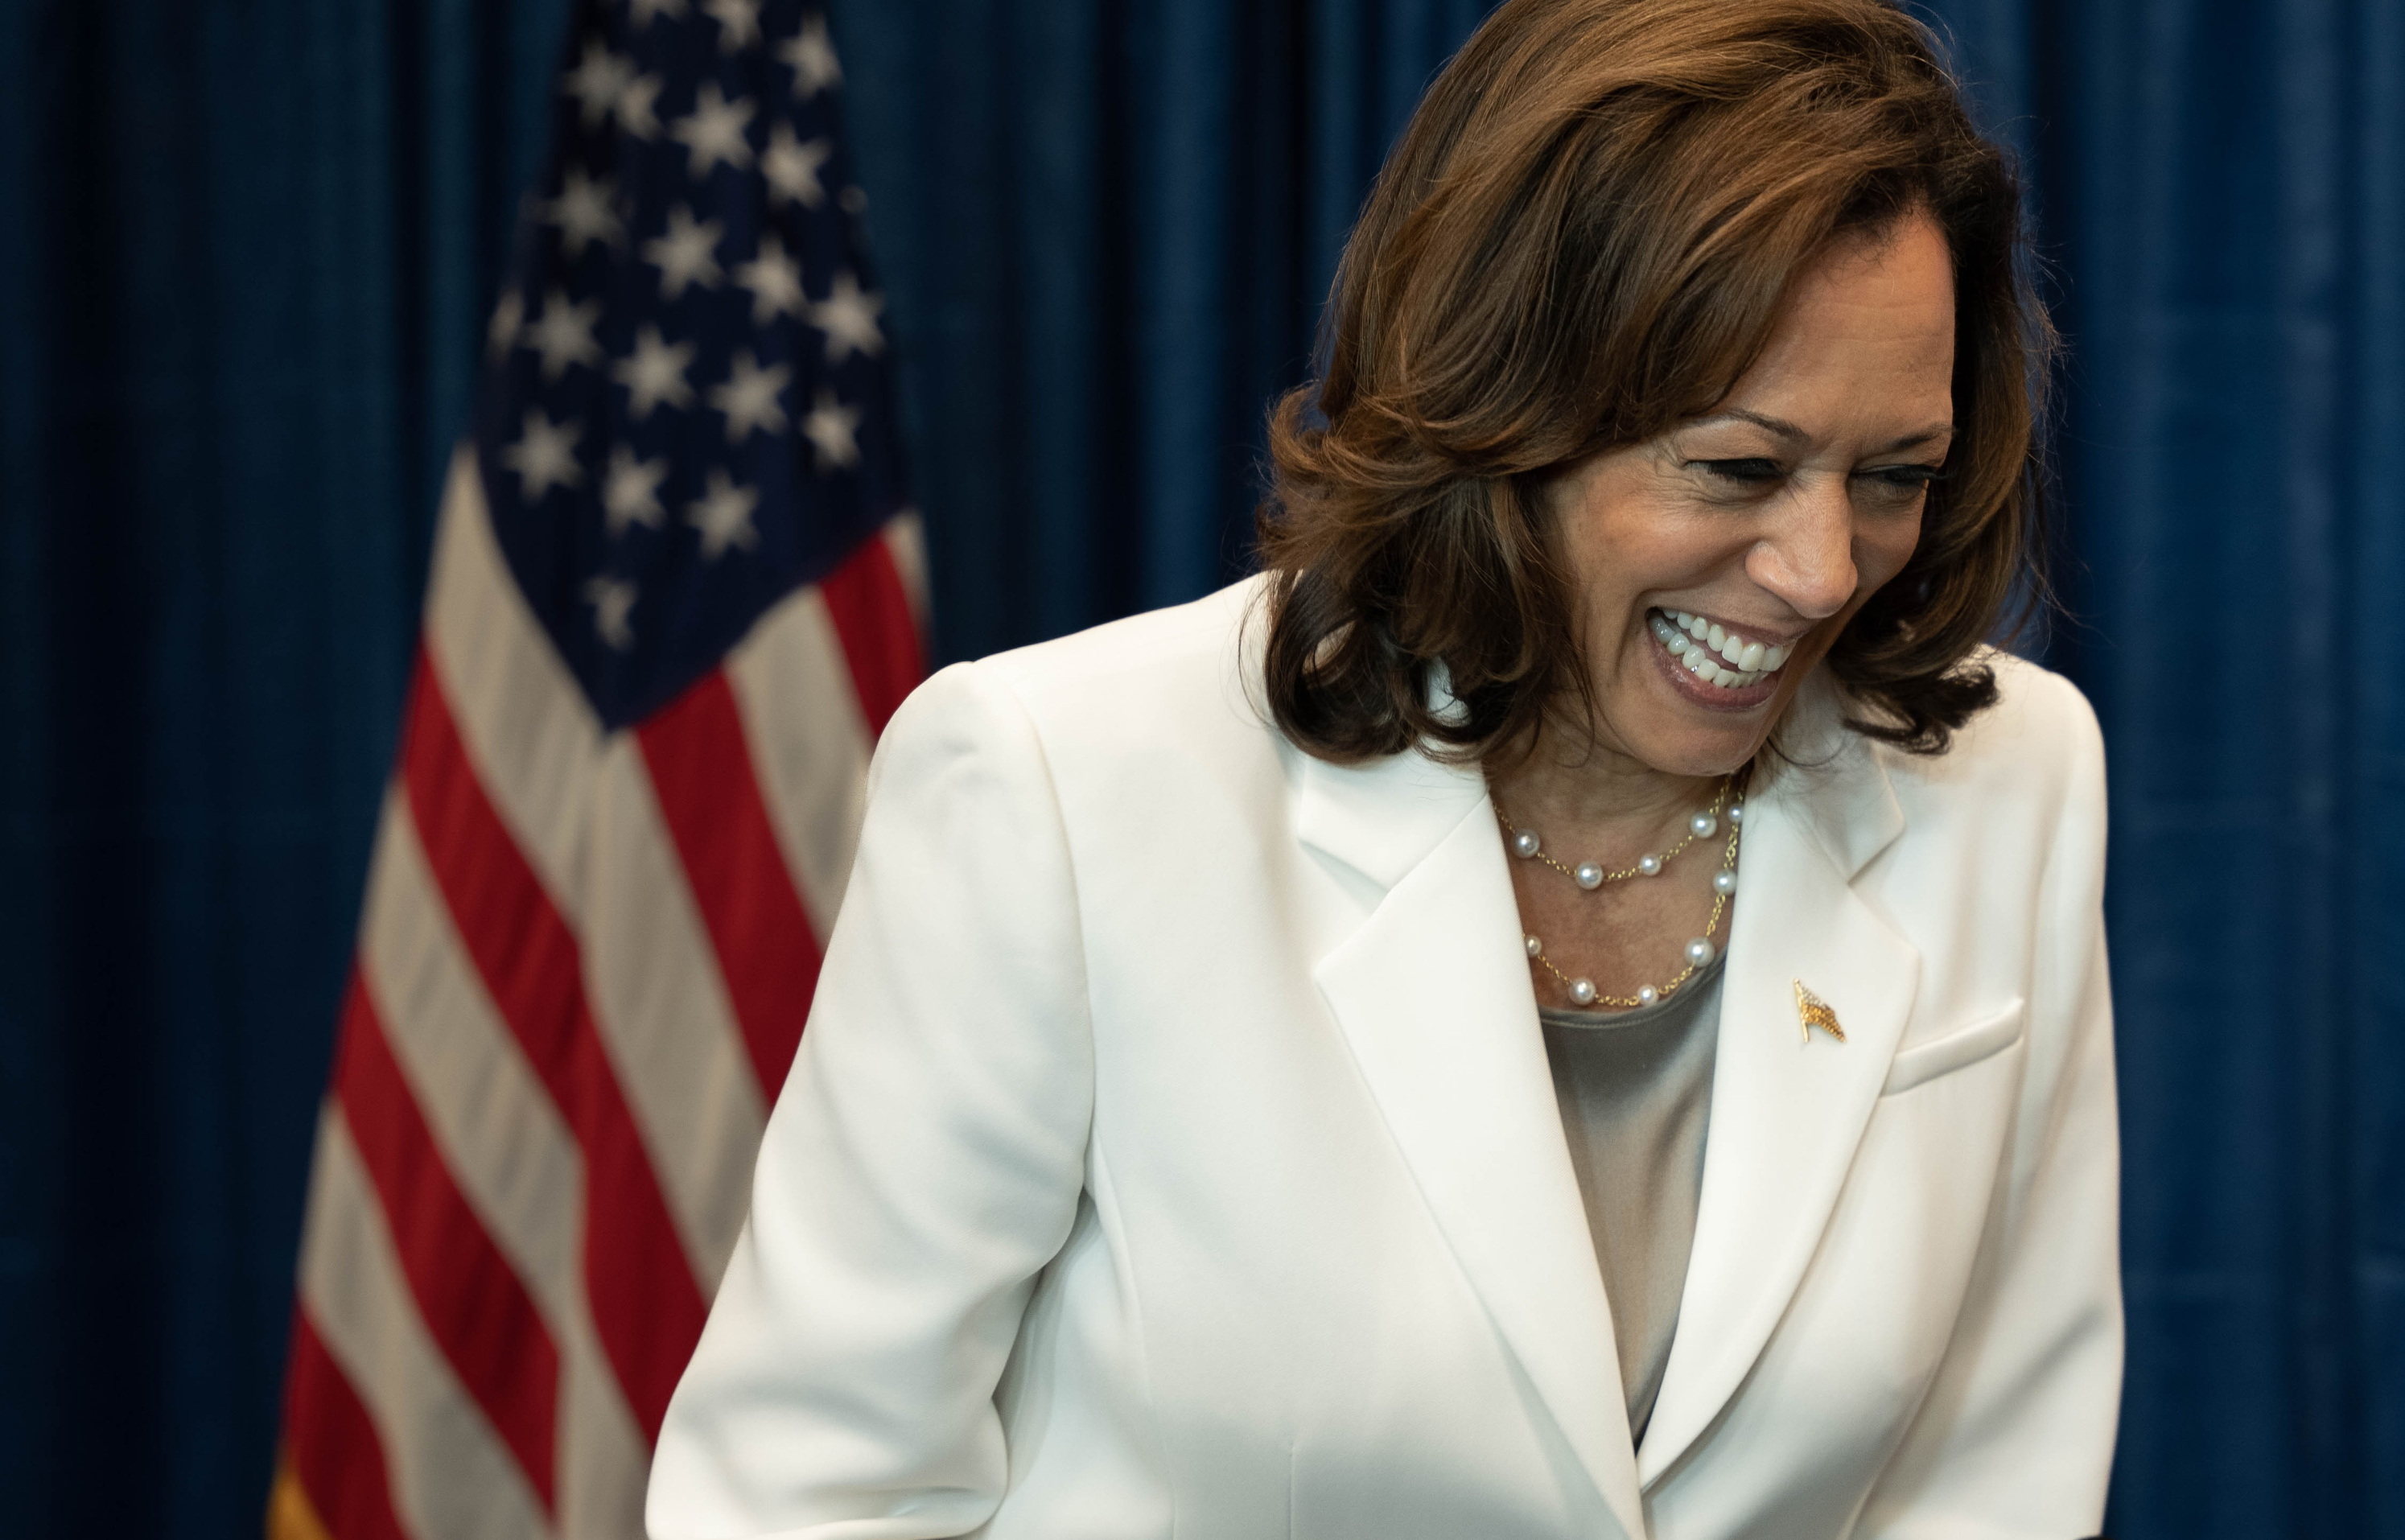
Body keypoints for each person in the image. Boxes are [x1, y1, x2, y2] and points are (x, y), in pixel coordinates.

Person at [645, 0, 2121, 1535]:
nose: (1823, 570)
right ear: (1508, 407)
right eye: (1735, 467)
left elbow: (1993, 1477)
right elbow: (808, 1492)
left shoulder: (2012, 780)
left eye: (1893, 477)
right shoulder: (1055, 782)